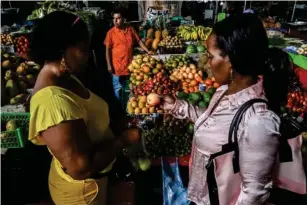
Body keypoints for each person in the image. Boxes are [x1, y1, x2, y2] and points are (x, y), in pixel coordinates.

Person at [162, 14, 305, 205]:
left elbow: (254, 193)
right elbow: (215, 125)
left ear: (231, 60)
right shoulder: (224, 91)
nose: (206, 61)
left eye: (210, 55)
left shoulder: (258, 120)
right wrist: (177, 106)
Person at [28, 11, 139, 205]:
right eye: (83, 49)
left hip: (95, 183)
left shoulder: (67, 77)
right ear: (63, 50)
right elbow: (81, 168)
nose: (88, 56)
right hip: (83, 195)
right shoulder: (52, 101)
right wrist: (124, 140)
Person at [104, 8, 154, 101]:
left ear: (124, 19)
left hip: (130, 65)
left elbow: (138, 41)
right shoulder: (110, 33)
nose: (115, 20)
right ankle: (120, 107)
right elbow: (107, 50)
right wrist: (109, 65)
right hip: (117, 66)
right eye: (114, 18)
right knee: (118, 87)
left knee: (131, 86)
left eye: (118, 18)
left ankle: (129, 104)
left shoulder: (130, 29)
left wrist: (147, 51)